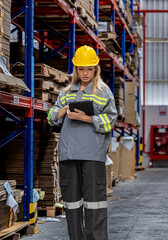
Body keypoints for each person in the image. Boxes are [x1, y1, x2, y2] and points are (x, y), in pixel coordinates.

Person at [47, 45, 117, 240]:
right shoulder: (67, 92)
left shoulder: (103, 91)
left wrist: (88, 119)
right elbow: (51, 117)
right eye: (81, 68)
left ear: (96, 69)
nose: (85, 73)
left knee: (95, 204)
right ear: (76, 69)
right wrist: (64, 110)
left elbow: (110, 120)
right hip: (68, 155)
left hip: (92, 154)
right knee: (72, 204)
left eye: (89, 68)